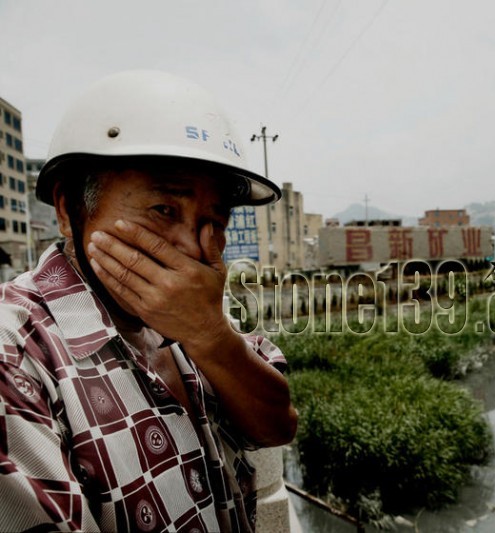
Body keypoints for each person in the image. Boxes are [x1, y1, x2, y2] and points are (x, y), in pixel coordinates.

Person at [0, 71, 297, 532]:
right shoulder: (16, 356)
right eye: (163, 211)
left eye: (213, 221)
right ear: (67, 208)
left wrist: (211, 337)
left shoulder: (194, 311)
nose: (194, 249)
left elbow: (277, 425)